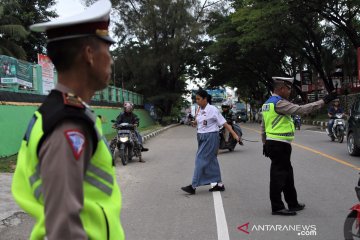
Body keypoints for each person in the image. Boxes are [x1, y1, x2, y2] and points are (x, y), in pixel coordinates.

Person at [11, 1, 125, 239]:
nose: (112, 60)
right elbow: (64, 229)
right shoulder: (68, 126)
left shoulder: (62, 113)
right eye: (108, 49)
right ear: (89, 54)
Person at [261, 77, 337, 216]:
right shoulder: (279, 103)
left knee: (288, 175)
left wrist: (264, 143)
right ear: (282, 88)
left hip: (277, 143)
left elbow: (263, 125)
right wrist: (324, 100)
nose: (290, 92)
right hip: (278, 144)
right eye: (289, 89)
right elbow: (302, 110)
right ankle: (277, 207)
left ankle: (293, 203)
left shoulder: (267, 103)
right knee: (278, 176)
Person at [181, 89, 240, 194]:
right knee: (212, 160)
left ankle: (193, 186)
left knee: (200, 159)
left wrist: (234, 134)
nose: (197, 101)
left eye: (199, 99)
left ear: (205, 99)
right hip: (201, 137)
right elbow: (199, 123)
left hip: (210, 137)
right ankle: (219, 184)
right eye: (196, 99)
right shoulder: (199, 110)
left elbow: (224, 123)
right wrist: (194, 123)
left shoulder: (212, 109)